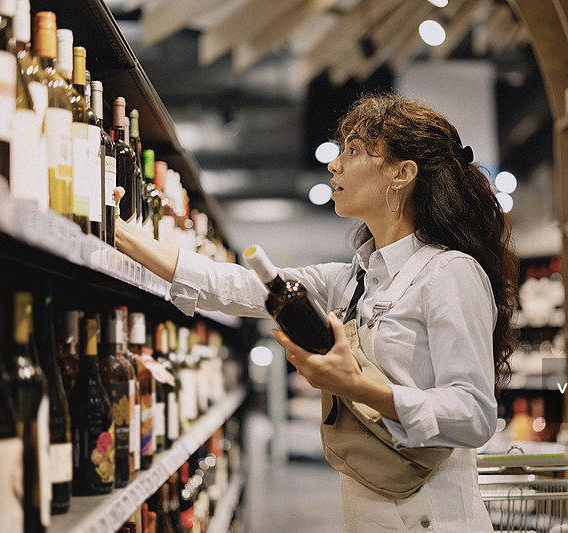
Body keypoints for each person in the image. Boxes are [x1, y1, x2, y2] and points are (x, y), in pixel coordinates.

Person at [114, 93, 518, 532]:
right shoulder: (351, 280)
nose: (335, 164)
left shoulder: (450, 272)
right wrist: (117, 231)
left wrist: (357, 387)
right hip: (368, 511)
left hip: (434, 517)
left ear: (402, 174)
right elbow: (228, 286)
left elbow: (474, 415)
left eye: (355, 150)